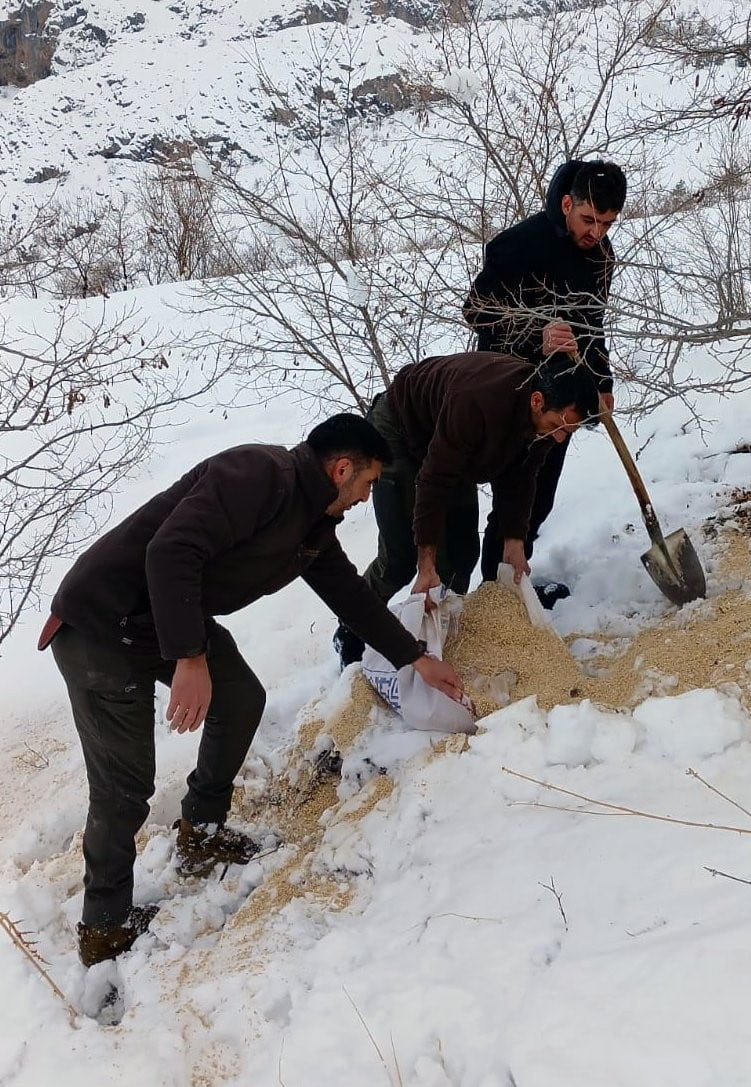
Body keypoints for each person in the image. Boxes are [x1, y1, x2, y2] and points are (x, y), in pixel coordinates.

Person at [38, 414, 464, 967]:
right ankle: (104, 928)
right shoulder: (256, 474)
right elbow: (170, 552)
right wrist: (189, 655)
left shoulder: (311, 525)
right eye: (366, 484)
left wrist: (417, 659)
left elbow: (352, 599)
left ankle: (202, 828)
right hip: (102, 625)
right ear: (340, 470)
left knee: (241, 700)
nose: (365, 497)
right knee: (124, 787)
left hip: (167, 617)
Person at [333, 352, 599, 666]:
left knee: (461, 553)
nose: (559, 437)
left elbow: (522, 476)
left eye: (568, 431)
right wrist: (426, 562)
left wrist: (514, 542)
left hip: (449, 443)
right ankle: (351, 630)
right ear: (537, 400)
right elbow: (434, 480)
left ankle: (439, 634)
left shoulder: (545, 421)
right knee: (401, 558)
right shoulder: (478, 402)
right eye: (557, 426)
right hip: (400, 432)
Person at [463, 159, 627, 604]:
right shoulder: (516, 246)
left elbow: (592, 329)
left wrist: (602, 382)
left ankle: (510, 587)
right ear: (566, 203)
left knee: (538, 500)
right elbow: (476, 312)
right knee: (513, 498)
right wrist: (534, 334)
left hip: (565, 394)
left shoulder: (601, 259)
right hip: (509, 390)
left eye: (607, 224)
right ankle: (495, 600)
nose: (596, 233)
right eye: (588, 220)